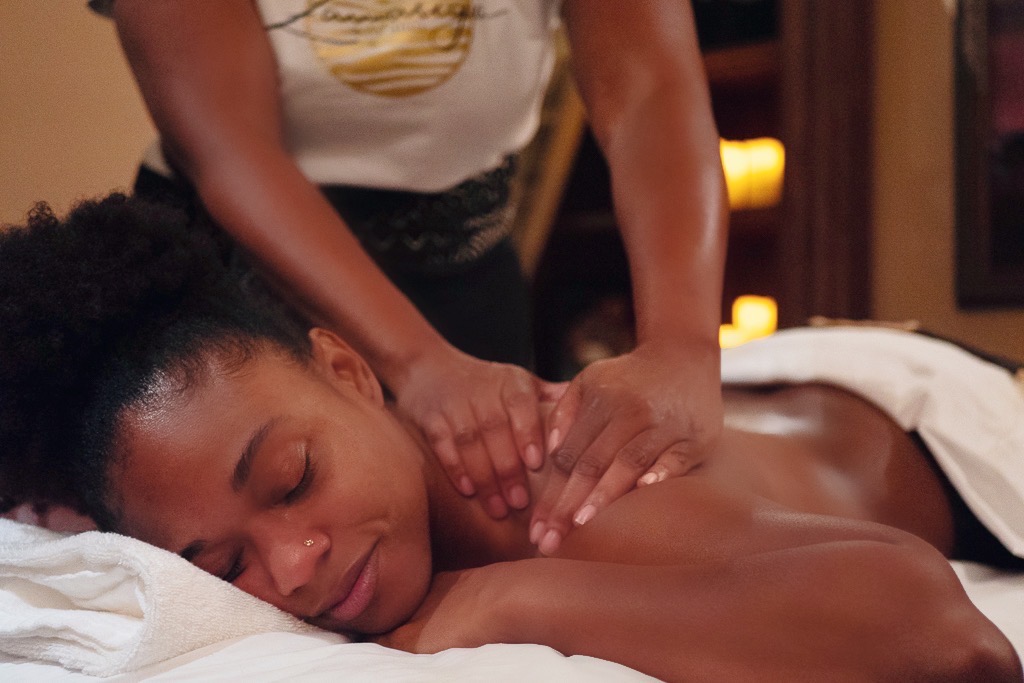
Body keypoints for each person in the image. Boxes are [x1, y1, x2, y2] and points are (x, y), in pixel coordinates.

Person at [0, 195, 1018, 681]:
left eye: (292, 477)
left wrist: (513, 596)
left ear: (350, 369)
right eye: (224, 563)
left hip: (923, 409)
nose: (295, 563)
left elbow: (948, 639)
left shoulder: (575, 490)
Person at [87, 0, 729, 550]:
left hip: (462, 272)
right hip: (237, 303)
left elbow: (651, 92)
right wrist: (418, 364)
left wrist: (683, 345)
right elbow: (231, 150)